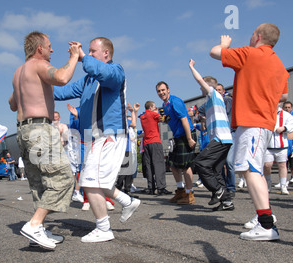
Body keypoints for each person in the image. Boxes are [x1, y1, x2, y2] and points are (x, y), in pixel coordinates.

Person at [54, 36, 141, 243]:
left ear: (106, 54)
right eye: (89, 51)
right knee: (99, 181)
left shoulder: (115, 70)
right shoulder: (88, 80)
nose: (89, 54)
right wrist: (39, 83)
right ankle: (127, 201)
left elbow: (103, 72)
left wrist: (82, 57)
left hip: (109, 135)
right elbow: (62, 91)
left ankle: (104, 228)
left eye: (93, 51)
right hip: (95, 138)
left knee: (89, 181)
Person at [210, 23, 289, 241]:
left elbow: (214, 52)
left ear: (259, 36)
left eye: (252, 33)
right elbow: (282, 96)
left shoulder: (250, 54)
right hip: (265, 122)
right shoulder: (280, 65)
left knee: (251, 170)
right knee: (253, 170)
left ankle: (266, 224)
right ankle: (262, 215)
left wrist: (224, 44)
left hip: (252, 121)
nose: (250, 36)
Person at [9, 31, 80, 250]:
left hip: (23, 129)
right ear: (39, 48)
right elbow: (61, 77)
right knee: (63, 179)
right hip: (39, 129)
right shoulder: (38, 64)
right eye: (49, 46)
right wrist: (74, 55)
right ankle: (35, 224)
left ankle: (37, 232)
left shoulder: (18, 72)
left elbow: (12, 104)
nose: (52, 50)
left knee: (40, 184)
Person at [189, 60, 234, 211]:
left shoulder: (214, 94)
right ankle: (227, 202)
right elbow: (199, 115)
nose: (200, 88)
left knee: (200, 163)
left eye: (202, 86)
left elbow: (200, 80)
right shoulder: (209, 102)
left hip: (221, 139)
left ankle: (218, 191)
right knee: (215, 170)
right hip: (223, 139)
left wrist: (191, 67)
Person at [156, 81, 197, 205]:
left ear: (168, 90)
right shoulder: (164, 105)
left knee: (185, 165)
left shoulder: (175, 101)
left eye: (163, 90)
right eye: (159, 91)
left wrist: (189, 138)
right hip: (177, 136)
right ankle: (180, 191)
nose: (161, 93)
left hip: (186, 134)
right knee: (172, 164)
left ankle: (190, 194)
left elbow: (184, 119)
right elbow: (170, 120)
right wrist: (164, 120)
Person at [139, 101, 171, 196]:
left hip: (146, 143)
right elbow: (164, 119)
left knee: (149, 166)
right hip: (155, 141)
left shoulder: (142, 117)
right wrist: (160, 112)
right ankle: (161, 188)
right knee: (159, 164)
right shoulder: (153, 114)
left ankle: (151, 187)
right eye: (154, 106)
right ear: (151, 107)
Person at [263, 106, 293, 195]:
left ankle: (283, 186)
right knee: (267, 165)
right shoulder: (264, 112)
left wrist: (284, 128)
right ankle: (268, 184)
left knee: (282, 165)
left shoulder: (285, 115)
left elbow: (292, 126)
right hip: (268, 146)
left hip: (282, 145)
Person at [216, 83, 236, 197]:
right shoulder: (213, 103)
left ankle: (231, 187)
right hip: (219, 135)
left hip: (230, 133)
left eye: (220, 90)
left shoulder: (227, 100)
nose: (218, 92)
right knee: (220, 163)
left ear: (223, 91)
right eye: (216, 90)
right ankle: (223, 186)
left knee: (229, 162)